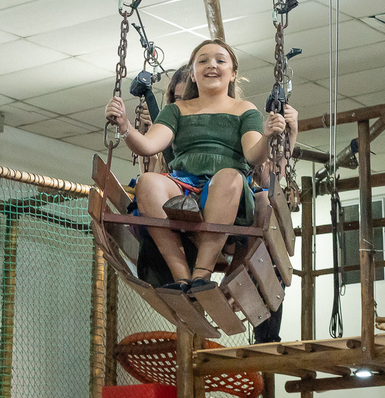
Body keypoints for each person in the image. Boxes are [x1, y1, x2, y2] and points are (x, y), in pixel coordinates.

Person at [106, 39, 298, 292]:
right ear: (193, 74)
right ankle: (181, 274)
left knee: (229, 176)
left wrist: (268, 136)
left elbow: (253, 155)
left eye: (220, 60)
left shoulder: (244, 110)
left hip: (228, 190)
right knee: (148, 181)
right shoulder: (177, 110)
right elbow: (148, 145)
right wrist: (125, 127)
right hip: (183, 185)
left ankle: (202, 273)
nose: (212, 66)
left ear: (233, 74)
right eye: (203, 61)